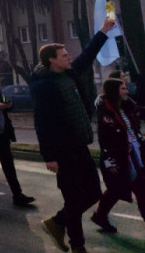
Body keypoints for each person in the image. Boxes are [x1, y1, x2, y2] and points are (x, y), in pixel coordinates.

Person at [32, 16, 115, 253]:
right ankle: (78, 246)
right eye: (64, 55)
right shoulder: (44, 86)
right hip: (62, 149)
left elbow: (87, 55)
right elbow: (42, 122)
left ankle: (58, 222)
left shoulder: (69, 73)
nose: (69, 57)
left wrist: (103, 31)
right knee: (72, 196)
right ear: (52, 61)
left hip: (79, 145)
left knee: (93, 192)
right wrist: (49, 155)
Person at [91, 78, 145, 232]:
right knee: (119, 190)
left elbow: (134, 129)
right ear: (115, 91)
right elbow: (104, 139)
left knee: (129, 190)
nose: (127, 91)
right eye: (123, 89)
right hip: (121, 157)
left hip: (136, 154)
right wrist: (109, 160)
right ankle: (100, 216)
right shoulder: (106, 112)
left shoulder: (128, 107)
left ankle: (100, 216)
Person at [0, 65, 35, 207]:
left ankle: (17, 195)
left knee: (9, 165)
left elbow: (3, 103)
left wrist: (8, 105)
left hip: (1, 133)